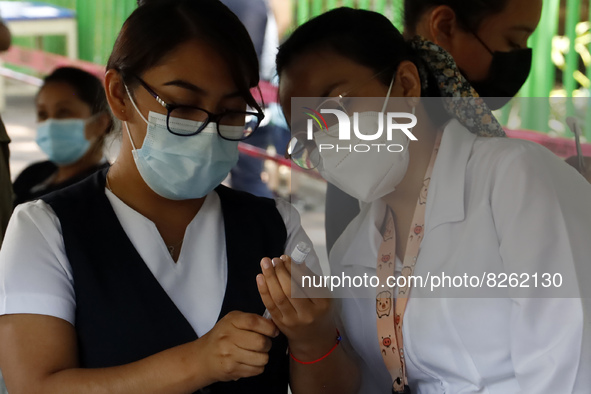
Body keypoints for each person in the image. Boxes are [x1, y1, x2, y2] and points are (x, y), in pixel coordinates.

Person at [0, 1, 358, 393]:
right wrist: (197, 363)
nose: (208, 129)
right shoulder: (45, 229)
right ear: (120, 95)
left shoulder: (275, 227)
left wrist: (314, 337)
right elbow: (33, 385)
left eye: (231, 111)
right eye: (184, 106)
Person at [277, 7, 591, 393]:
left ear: (407, 85)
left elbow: (572, 365)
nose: (325, 140)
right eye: (308, 137)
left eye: (333, 109)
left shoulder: (514, 180)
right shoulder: (351, 249)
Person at [323, 0, 591, 253]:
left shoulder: (427, 111)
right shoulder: (411, 129)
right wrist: (550, 198)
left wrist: (555, 188)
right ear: (444, 27)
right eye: (512, 40)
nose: (520, 58)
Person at [12, 67, 113, 206]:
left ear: (101, 122)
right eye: (43, 114)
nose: (50, 124)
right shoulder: (32, 175)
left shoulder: (106, 192)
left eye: (63, 112)